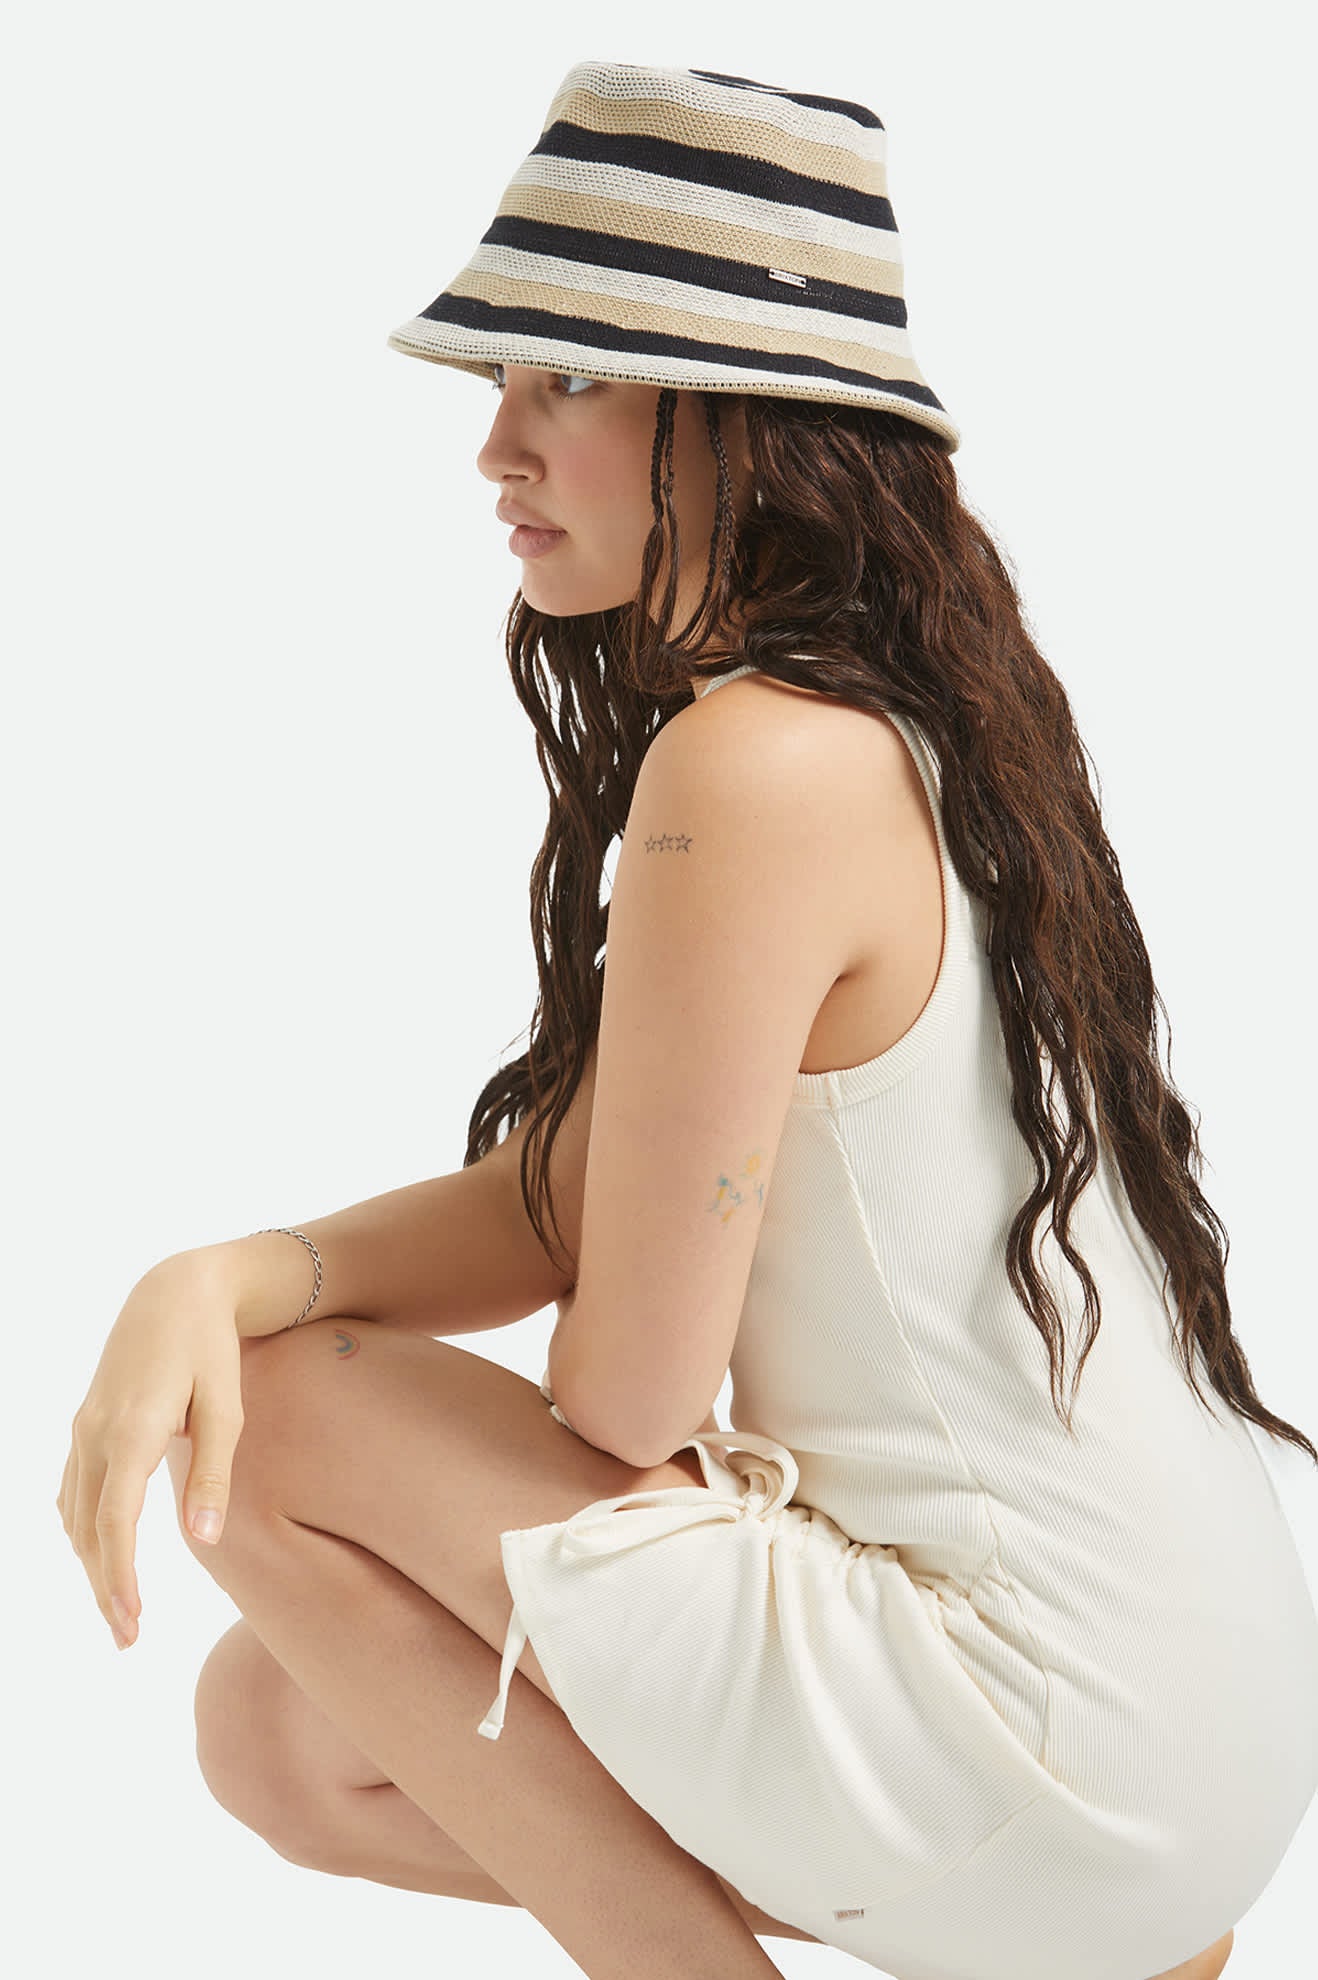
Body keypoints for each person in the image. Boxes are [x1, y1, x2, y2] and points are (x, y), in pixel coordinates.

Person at [56, 59, 1313, 1980]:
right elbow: (580, 1195)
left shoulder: (754, 766)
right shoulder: (903, 730)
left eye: (568, 377)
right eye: (502, 377)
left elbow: (632, 1397)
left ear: (749, 419)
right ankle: (1104, 1951)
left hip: (1038, 1738)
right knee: (285, 1733)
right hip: (1197, 1743)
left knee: (279, 1424)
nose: (496, 447)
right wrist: (220, 1273)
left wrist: (279, 1342)